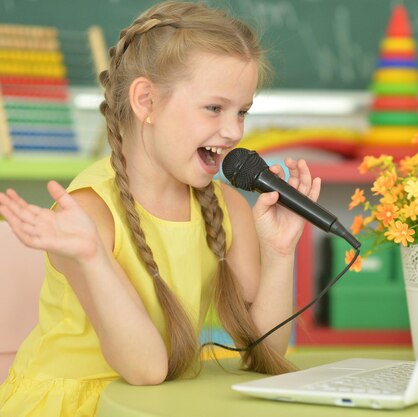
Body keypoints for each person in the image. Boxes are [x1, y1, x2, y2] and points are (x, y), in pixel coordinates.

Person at [0, 2, 321, 415]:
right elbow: (146, 368)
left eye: (242, 111)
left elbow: (266, 350)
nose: (234, 131)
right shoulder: (88, 214)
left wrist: (279, 252)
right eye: (214, 108)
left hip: (160, 400)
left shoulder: (227, 208)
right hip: (83, 403)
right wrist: (92, 257)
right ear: (146, 100)